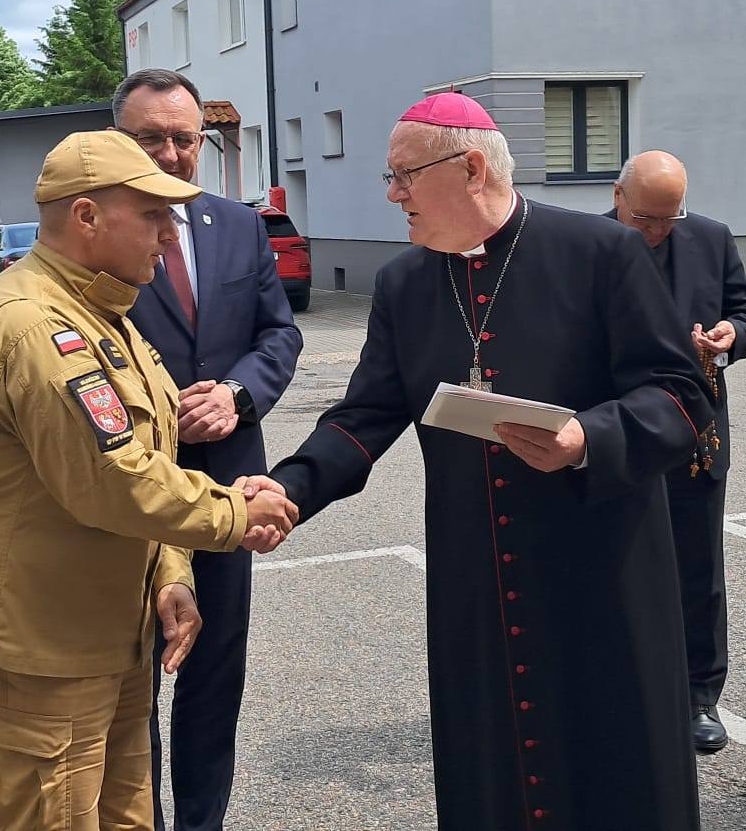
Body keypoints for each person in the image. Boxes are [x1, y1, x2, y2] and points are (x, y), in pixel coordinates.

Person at [258, 93, 713, 830]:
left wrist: (586, 438)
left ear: (470, 167)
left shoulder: (602, 255)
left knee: (615, 770)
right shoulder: (407, 284)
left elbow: (682, 397)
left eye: (404, 174)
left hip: (601, 570)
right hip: (480, 576)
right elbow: (366, 414)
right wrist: (287, 489)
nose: (393, 193)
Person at [0, 129, 296, 831]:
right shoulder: (34, 326)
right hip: (44, 658)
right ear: (87, 217)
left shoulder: (106, 316)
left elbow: (147, 457)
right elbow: (110, 480)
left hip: (107, 644)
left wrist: (170, 573)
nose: (168, 232)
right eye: (153, 214)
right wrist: (234, 512)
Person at [112, 69, 303, 831]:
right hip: (129, 486)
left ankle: (199, 821)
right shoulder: (99, 231)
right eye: (148, 137)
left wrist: (237, 394)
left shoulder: (239, 224)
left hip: (227, 482)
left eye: (182, 138)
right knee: (133, 673)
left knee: (215, 666)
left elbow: (279, 332)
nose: (169, 152)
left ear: (203, 144)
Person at [606, 150, 746, 754]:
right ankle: (623, 685)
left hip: (696, 434)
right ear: (618, 196)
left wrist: (732, 337)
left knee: (698, 569)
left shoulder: (710, 239)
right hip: (617, 427)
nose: (655, 232)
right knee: (614, 563)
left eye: (668, 220)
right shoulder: (588, 244)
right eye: (645, 218)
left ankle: (701, 696)